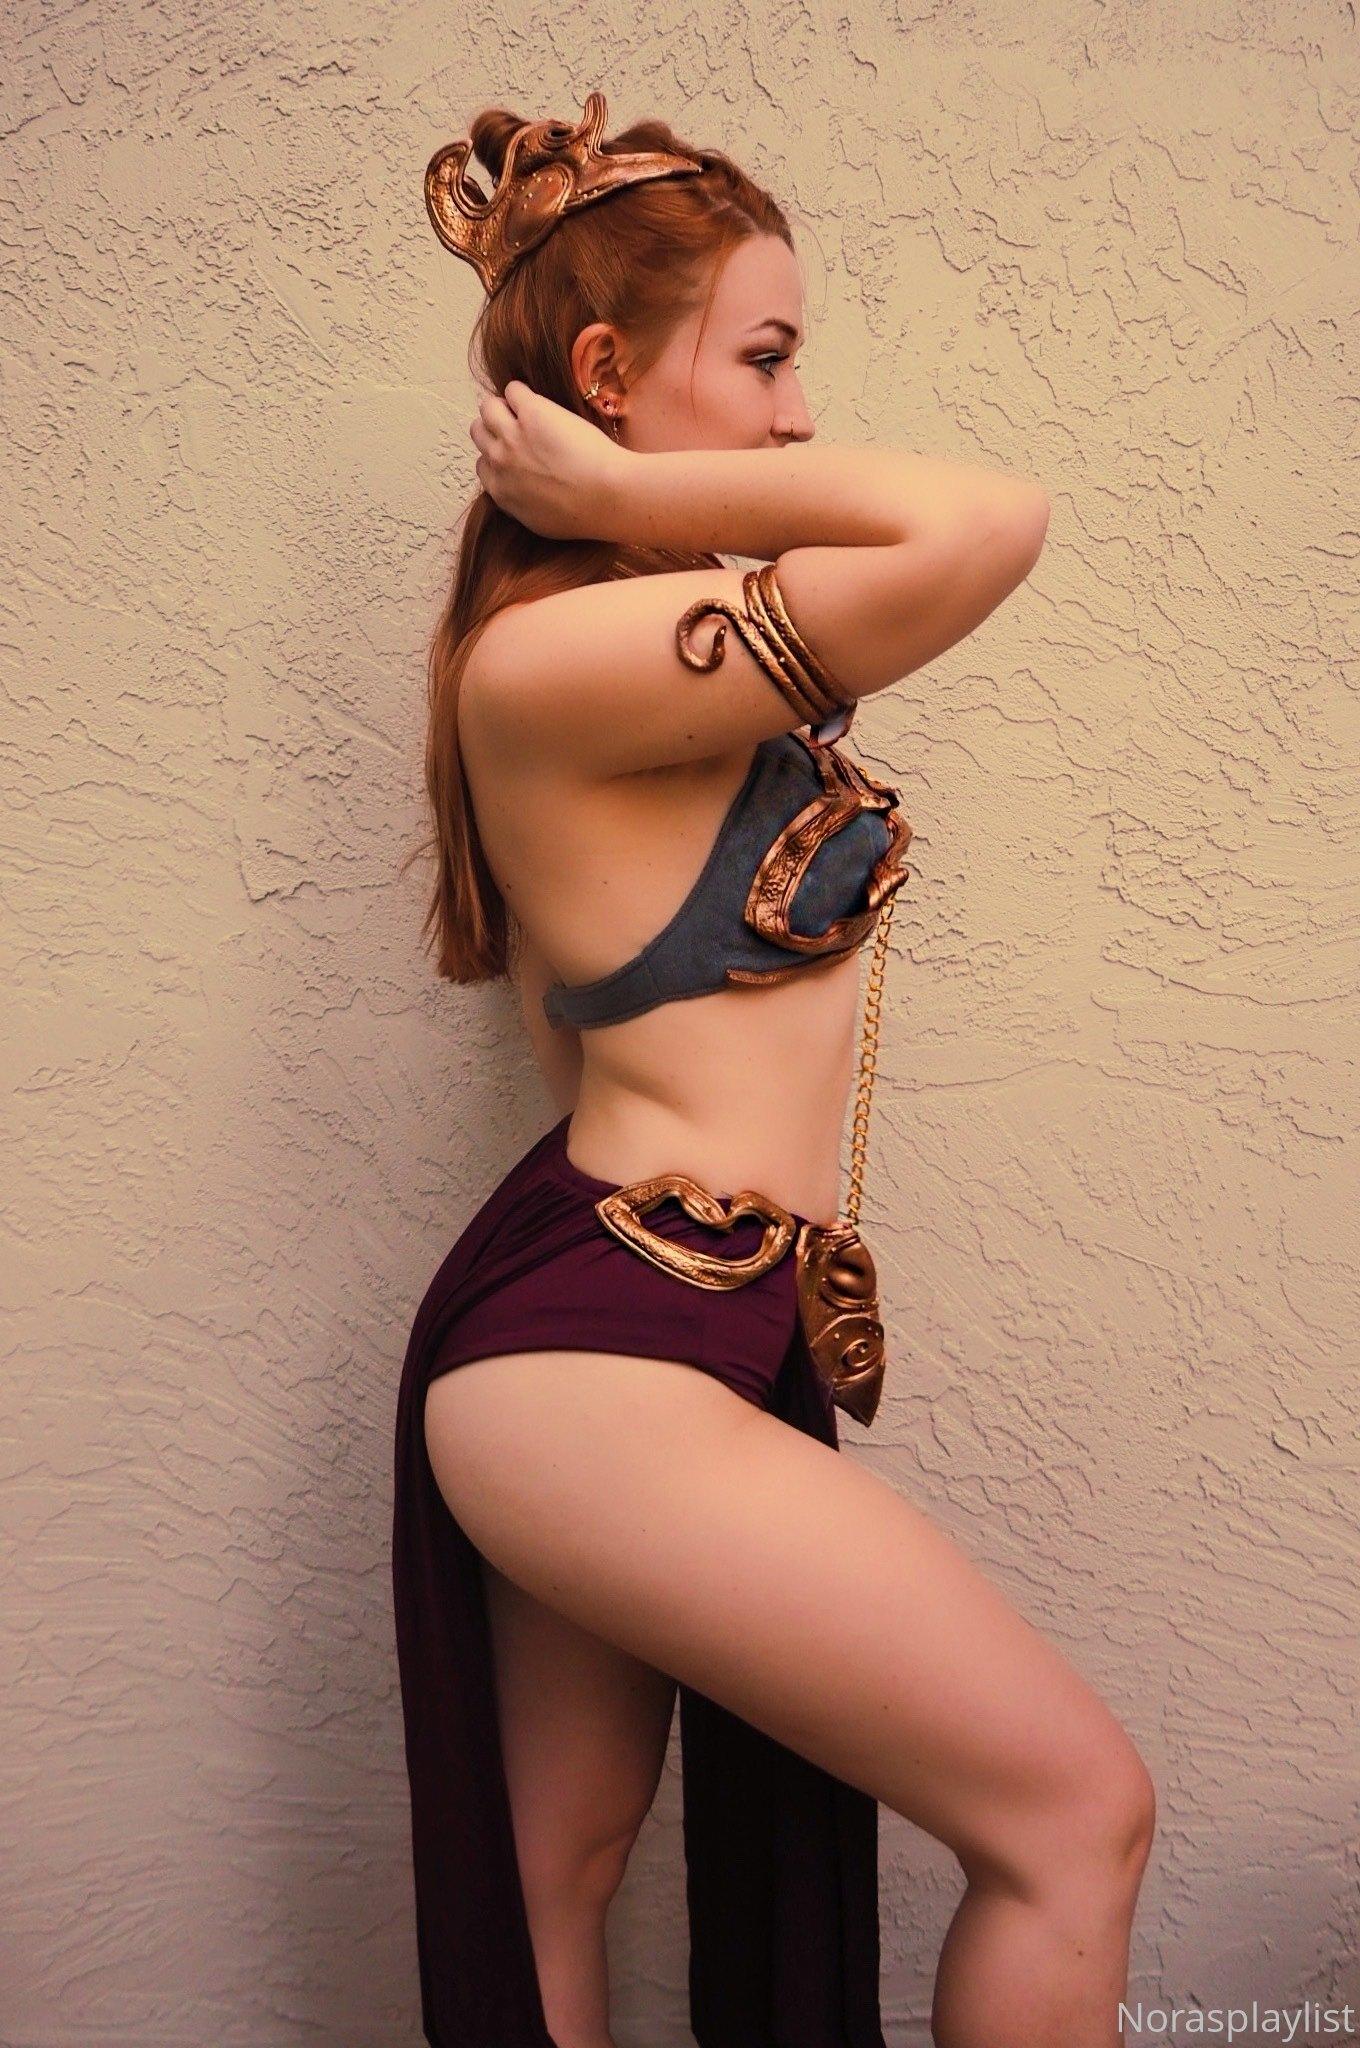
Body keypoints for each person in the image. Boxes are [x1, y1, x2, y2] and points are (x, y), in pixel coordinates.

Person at [391, 89, 1156, 2048]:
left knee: (563, 1884)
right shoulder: (550, 662)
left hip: (668, 1330)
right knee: (1074, 1820)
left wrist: (639, 502)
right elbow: (987, 522)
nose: (800, 416)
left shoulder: (633, 648)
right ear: (604, 377)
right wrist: (633, 499)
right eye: (764, 357)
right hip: (604, 1351)